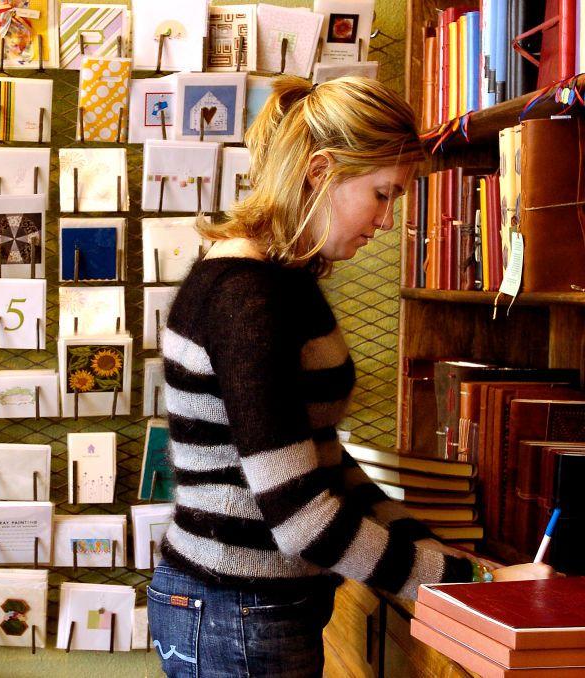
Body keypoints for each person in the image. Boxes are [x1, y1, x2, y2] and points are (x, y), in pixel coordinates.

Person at [147, 75, 556, 678]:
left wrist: (430, 546)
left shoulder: (285, 282)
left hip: (252, 607)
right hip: (236, 613)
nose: (388, 222)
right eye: (382, 194)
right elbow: (302, 519)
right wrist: (479, 579)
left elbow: (323, 461)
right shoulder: (246, 297)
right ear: (320, 171)